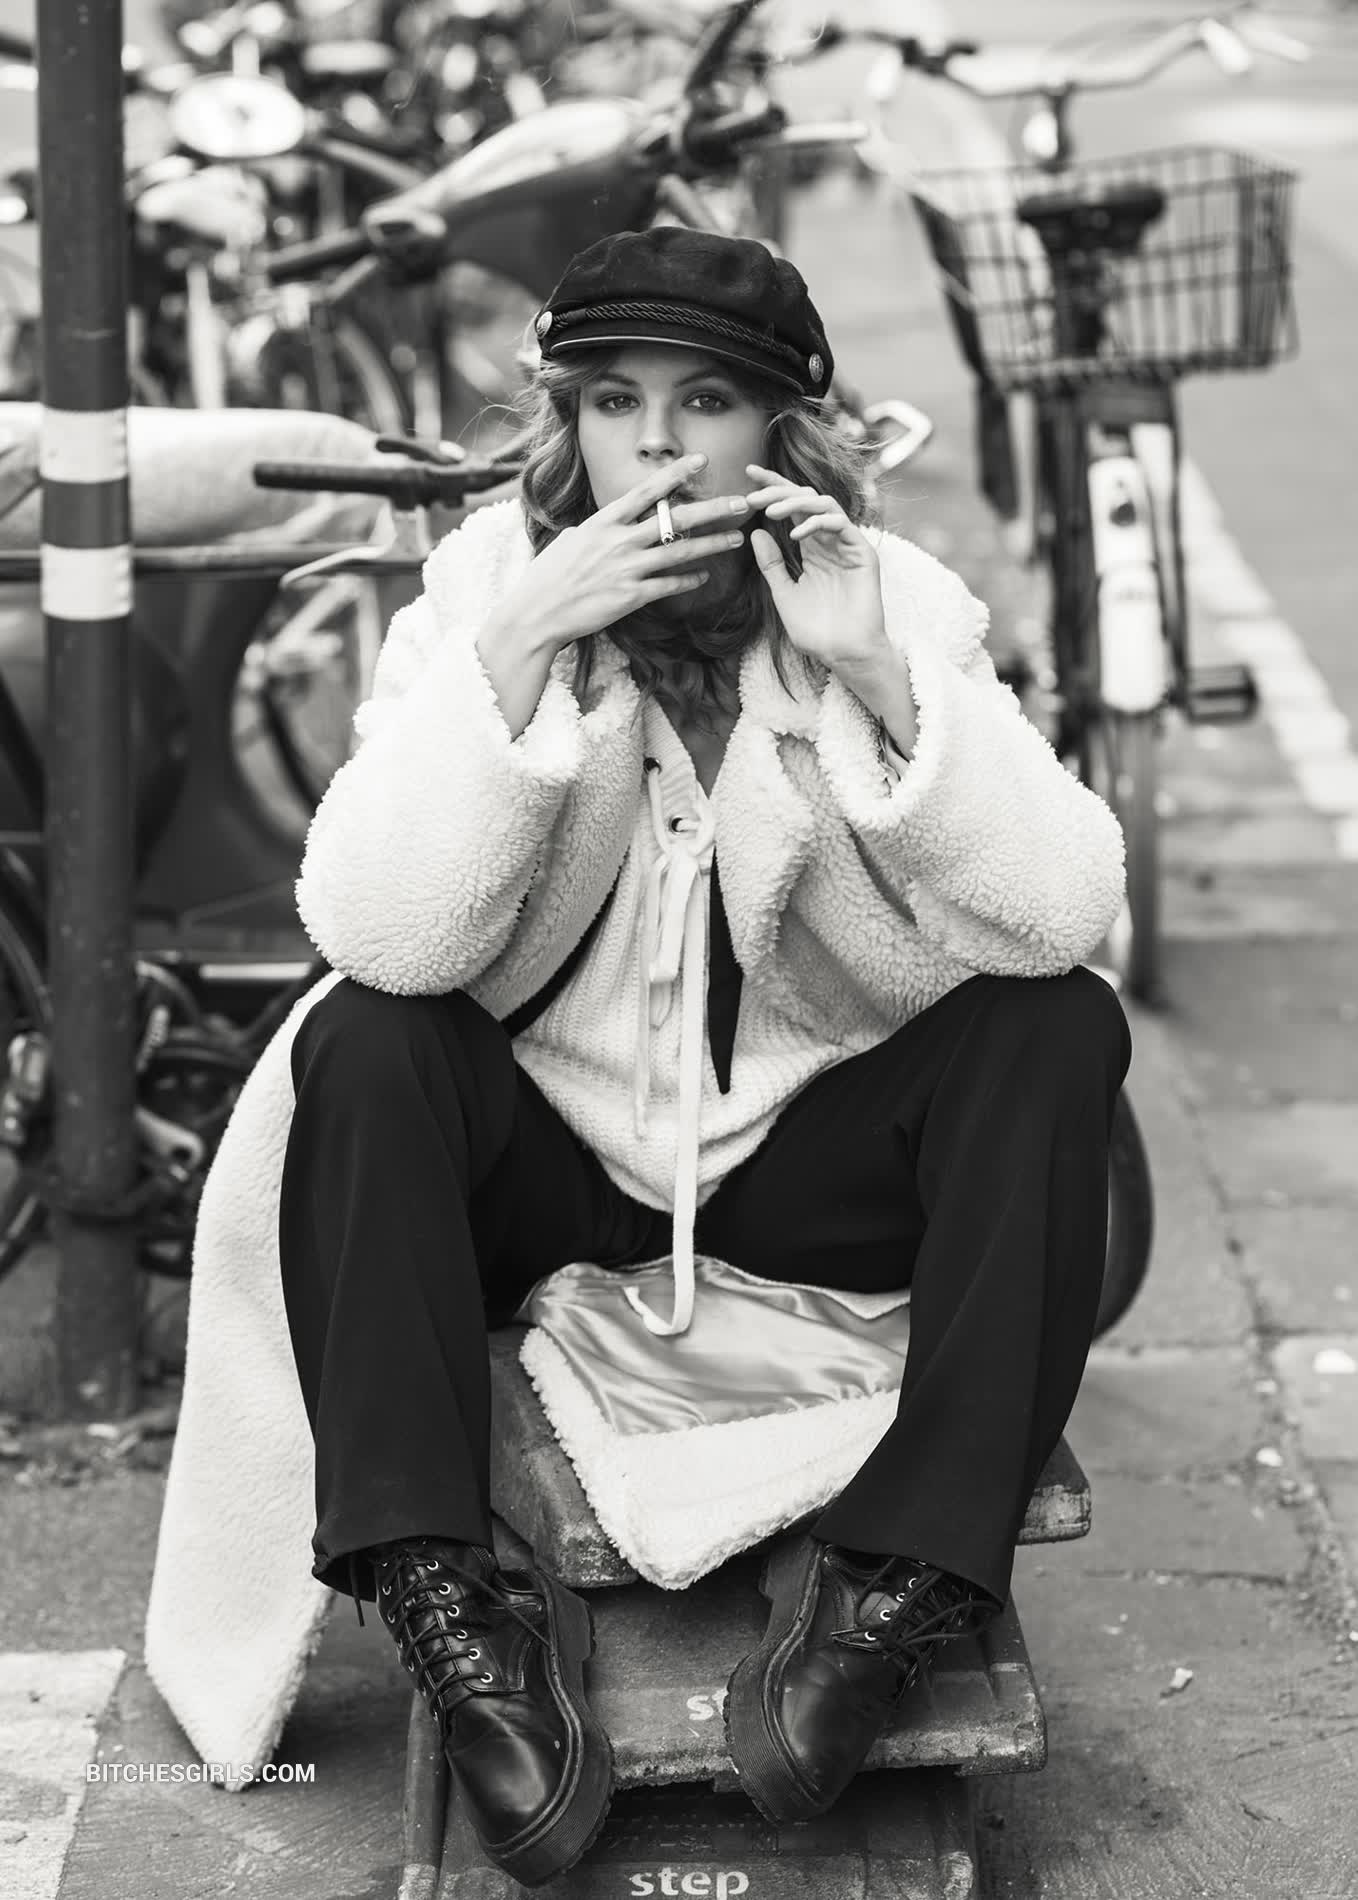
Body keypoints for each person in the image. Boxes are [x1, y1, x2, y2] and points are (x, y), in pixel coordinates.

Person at [263, 227, 1128, 1884]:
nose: (656, 446)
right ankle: (454, 1601)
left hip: (798, 1171)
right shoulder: (484, 597)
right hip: (550, 1168)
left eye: (705, 401)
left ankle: (894, 1584)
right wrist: (517, 656)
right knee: (363, 1039)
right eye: (613, 402)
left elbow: (1060, 908)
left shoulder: (886, 598)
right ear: (568, 424)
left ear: (780, 429)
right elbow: (377, 929)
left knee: (1056, 1020)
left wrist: (873, 672)